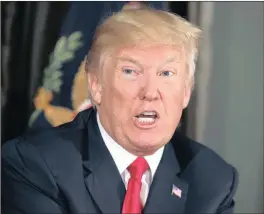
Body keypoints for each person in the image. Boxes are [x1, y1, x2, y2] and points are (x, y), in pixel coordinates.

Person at [2, 7, 238, 214]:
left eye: (166, 73)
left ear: (186, 91)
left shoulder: (212, 180)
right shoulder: (34, 165)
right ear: (96, 85)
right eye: (131, 71)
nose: (150, 92)